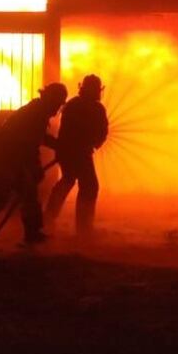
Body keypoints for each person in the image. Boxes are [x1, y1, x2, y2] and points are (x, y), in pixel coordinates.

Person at [0, 83, 68, 255]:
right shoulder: (35, 114)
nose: (57, 108)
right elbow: (26, 144)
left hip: (13, 160)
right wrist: (33, 167)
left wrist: (58, 145)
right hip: (6, 161)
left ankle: (32, 234)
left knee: (30, 196)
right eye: (58, 103)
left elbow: (38, 138)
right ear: (50, 99)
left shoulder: (37, 112)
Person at [45, 74, 108, 236]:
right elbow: (98, 131)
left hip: (72, 151)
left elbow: (101, 131)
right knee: (89, 185)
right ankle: (83, 227)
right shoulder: (86, 107)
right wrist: (91, 143)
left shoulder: (75, 105)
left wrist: (92, 143)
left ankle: (48, 218)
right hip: (75, 152)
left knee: (68, 180)